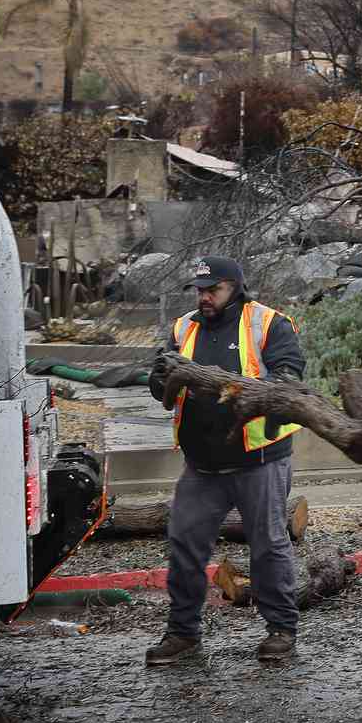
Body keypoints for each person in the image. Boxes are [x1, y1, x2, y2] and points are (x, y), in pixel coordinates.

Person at [143, 256, 305, 666]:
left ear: (236, 287)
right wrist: (160, 378)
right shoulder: (184, 328)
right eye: (199, 290)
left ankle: (280, 629)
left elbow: (288, 380)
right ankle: (183, 635)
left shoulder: (269, 324)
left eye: (212, 289)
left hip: (260, 458)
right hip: (203, 464)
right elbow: (159, 383)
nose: (204, 297)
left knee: (268, 544)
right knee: (184, 544)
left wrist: (233, 389)